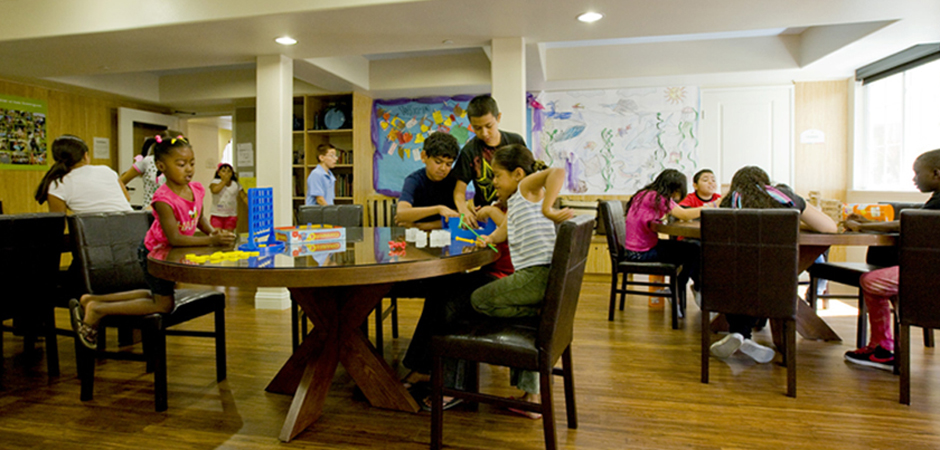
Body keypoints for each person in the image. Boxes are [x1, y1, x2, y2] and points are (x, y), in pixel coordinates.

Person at [68, 133, 236, 350]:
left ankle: (92, 300)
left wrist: (213, 232)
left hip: (172, 253)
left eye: (192, 163)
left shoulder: (196, 189)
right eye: (181, 164)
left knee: (154, 294)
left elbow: (199, 218)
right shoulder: (163, 198)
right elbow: (175, 238)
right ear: (161, 166)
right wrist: (211, 241)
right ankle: (98, 310)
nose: (188, 169)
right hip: (154, 254)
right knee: (163, 304)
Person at [470, 144, 572, 419]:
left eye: (497, 176)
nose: (493, 182)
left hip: (537, 274)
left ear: (517, 174)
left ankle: (536, 312)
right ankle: (530, 395)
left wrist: (548, 208)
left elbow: (558, 171)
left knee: (478, 299)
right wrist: (489, 238)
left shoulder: (527, 188)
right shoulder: (517, 201)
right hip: (537, 276)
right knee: (518, 316)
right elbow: (504, 230)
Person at [709, 166, 837, 363]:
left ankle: (740, 334)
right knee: (762, 279)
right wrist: (797, 222)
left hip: (735, 276)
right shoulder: (784, 197)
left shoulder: (728, 202)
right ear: (766, 182)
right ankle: (749, 338)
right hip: (780, 274)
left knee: (745, 279)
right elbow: (829, 227)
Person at [842, 149, 940, 371]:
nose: (914, 179)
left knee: (871, 281)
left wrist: (863, 226)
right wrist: (867, 223)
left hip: (931, 275)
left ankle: (884, 347)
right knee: (879, 280)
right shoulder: (936, 199)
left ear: (936, 173)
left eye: (917, 173)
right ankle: (883, 346)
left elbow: (908, 221)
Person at [623, 169, 707, 307]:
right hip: (640, 253)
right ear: (673, 188)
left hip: (636, 248)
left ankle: (683, 288)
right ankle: (688, 288)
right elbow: (684, 214)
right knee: (694, 250)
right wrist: (710, 207)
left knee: (692, 249)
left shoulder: (645, 194)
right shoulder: (657, 197)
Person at [452, 95, 526, 228]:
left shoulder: (515, 142)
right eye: (477, 128)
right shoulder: (469, 151)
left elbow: (528, 178)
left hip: (517, 211)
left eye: (489, 126)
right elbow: (459, 191)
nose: (484, 133)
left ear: (498, 117)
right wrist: (463, 210)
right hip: (485, 217)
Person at [34, 134, 132, 213]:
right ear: (85, 156)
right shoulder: (106, 170)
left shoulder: (57, 184)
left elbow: (58, 223)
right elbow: (126, 198)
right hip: (133, 225)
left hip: (96, 229)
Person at [394, 132, 460, 230]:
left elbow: (458, 218)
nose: (443, 168)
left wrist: (420, 226)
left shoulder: (454, 180)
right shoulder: (414, 180)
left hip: (444, 235)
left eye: (448, 164)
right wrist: (438, 209)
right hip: (417, 236)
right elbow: (401, 213)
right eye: (438, 162)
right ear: (424, 156)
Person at [119, 135, 166, 209]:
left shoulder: (178, 165)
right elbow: (120, 182)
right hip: (149, 210)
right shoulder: (148, 161)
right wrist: (125, 200)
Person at [209, 162, 247, 231]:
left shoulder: (235, 184)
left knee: (228, 234)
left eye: (229, 171)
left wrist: (251, 205)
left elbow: (244, 197)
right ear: (219, 173)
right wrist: (224, 181)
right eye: (223, 171)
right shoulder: (215, 182)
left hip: (231, 215)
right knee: (216, 234)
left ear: (232, 173)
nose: (226, 173)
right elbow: (214, 190)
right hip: (217, 214)